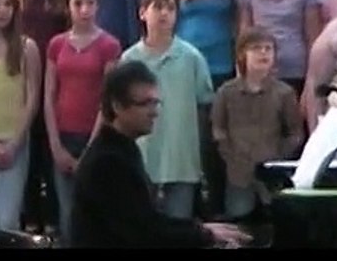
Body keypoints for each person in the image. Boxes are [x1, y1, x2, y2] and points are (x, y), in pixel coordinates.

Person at [70, 60, 250, 249]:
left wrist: (200, 228)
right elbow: (142, 231)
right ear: (117, 106)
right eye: (145, 104)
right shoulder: (107, 161)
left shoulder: (122, 149)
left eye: (156, 103)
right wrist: (203, 234)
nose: (154, 112)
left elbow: (147, 220)